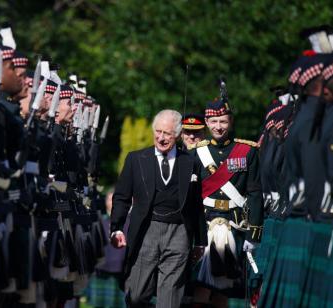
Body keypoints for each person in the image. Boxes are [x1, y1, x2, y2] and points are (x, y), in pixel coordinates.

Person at [110, 109, 207, 308]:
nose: (161, 138)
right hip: (147, 229)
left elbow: (196, 203)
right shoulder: (136, 159)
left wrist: (200, 240)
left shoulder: (190, 162)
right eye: (158, 132)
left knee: (170, 300)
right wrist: (117, 227)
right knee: (135, 296)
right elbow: (121, 197)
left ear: (178, 135)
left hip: (179, 232)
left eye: (167, 134)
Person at [192, 98, 263, 307]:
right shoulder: (197, 153)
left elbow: (255, 193)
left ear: (231, 121)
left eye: (223, 121)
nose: (218, 127)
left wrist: (254, 234)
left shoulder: (247, 151)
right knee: (200, 289)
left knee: (223, 290)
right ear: (206, 122)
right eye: (213, 122)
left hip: (235, 227)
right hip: (204, 226)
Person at [85, 188, 128, 308]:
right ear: (105, 202)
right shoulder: (99, 222)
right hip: (101, 272)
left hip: (121, 274)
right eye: (110, 199)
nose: (112, 202)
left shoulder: (127, 222)